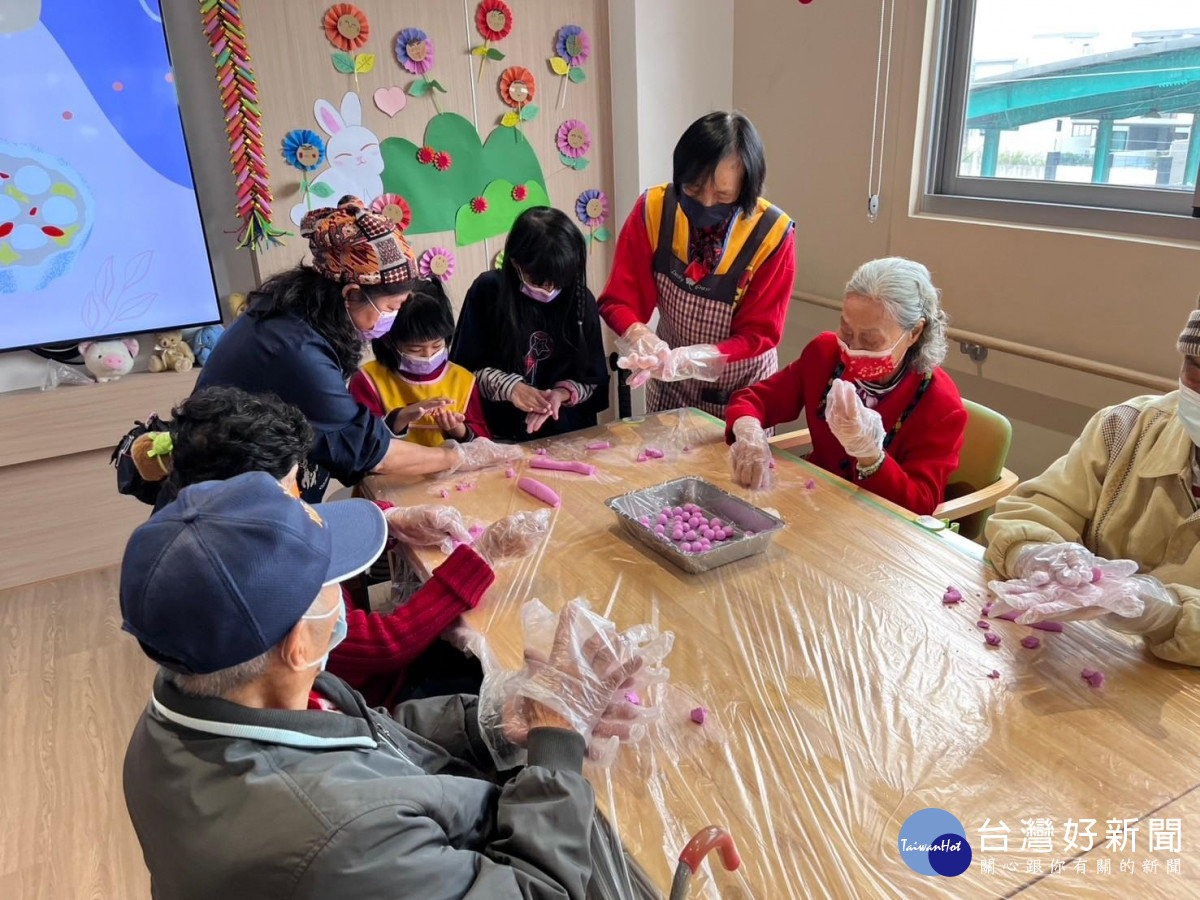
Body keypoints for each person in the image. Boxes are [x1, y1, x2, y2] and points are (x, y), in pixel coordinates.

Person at [120, 471, 666, 898]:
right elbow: (534, 892)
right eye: (334, 582)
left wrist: (498, 718)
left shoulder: (196, 704)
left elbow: (366, 739)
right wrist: (557, 739)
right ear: (299, 644)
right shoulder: (339, 839)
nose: (347, 594)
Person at [153, 386, 540, 707]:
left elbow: (317, 525)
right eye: (290, 485)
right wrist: (481, 559)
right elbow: (384, 644)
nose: (300, 495)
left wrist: (390, 520)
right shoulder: (259, 584)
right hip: (369, 702)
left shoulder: (232, 524)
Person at [196, 196, 519, 500]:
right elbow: (369, 453)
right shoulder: (296, 349)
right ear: (351, 293)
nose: (391, 320)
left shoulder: (291, 317)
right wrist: (456, 456)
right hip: (227, 501)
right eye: (391, 307)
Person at [983, 309, 1200, 665]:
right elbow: (1036, 510)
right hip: (1084, 657)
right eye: (1197, 367)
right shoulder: (1126, 429)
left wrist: (1168, 616)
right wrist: (1036, 553)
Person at [724, 258, 967, 516]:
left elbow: (920, 503)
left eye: (871, 340)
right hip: (816, 501)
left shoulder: (939, 404)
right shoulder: (825, 354)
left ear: (915, 333)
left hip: (877, 527)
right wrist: (748, 431)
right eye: (846, 331)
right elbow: (754, 400)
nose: (852, 350)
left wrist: (871, 455)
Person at [599, 111, 796, 418]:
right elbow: (619, 300)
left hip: (741, 391)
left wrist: (694, 359)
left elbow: (759, 334)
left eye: (722, 195)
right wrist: (641, 337)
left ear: (746, 189)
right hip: (671, 385)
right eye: (692, 189)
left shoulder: (771, 235)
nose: (705, 203)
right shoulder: (654, 210)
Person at [451, 206, 609, 442]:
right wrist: (510, 388)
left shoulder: (579, 299)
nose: (550, 289)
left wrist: (560, 394)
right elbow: (462, 374)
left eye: (558, 281)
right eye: (540, 280)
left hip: (567, 437)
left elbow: (592, 380)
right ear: (515, 262)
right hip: (498, 436)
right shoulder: (487, 291)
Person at [349, 278, 490, 447]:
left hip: (450, 471)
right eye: (415, 350)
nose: (428, 355)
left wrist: (458, 430)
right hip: (394, 472)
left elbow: (484, 443)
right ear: (388, 341)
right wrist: (401, 417)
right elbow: (358, 443)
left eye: (437, 345)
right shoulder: (368, 380)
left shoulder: (463, 380)